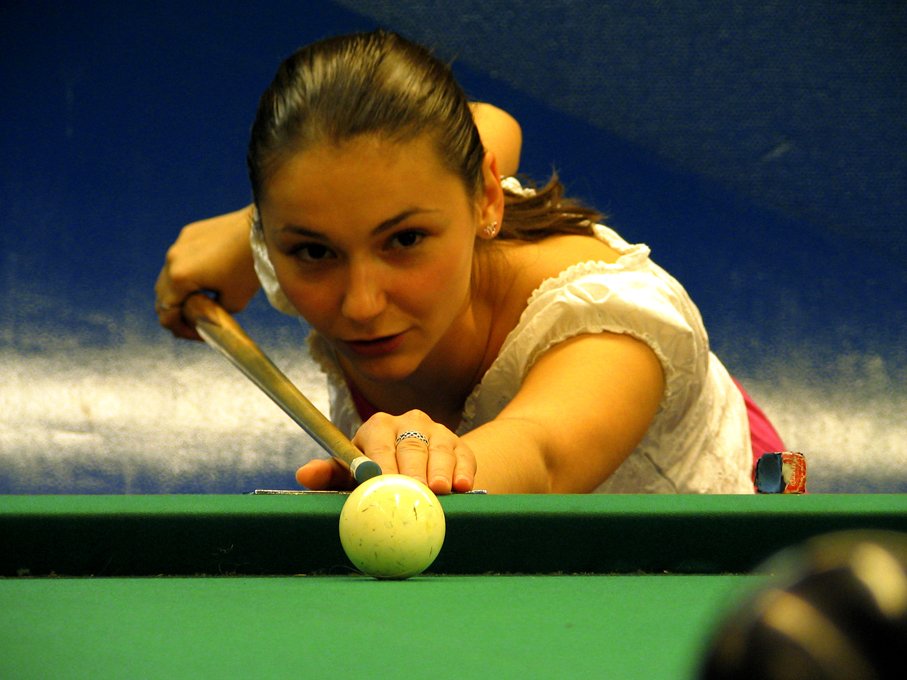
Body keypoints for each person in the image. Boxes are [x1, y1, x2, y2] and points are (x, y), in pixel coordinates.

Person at [155, 30, 783, 495]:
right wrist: (246, 238)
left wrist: (429, 468)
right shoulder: (327, 227)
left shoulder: (614, 323)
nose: (361, 304)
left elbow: (541, 454)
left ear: (486, 197)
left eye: (403, 241)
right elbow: (491, 125)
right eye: (313, 250)